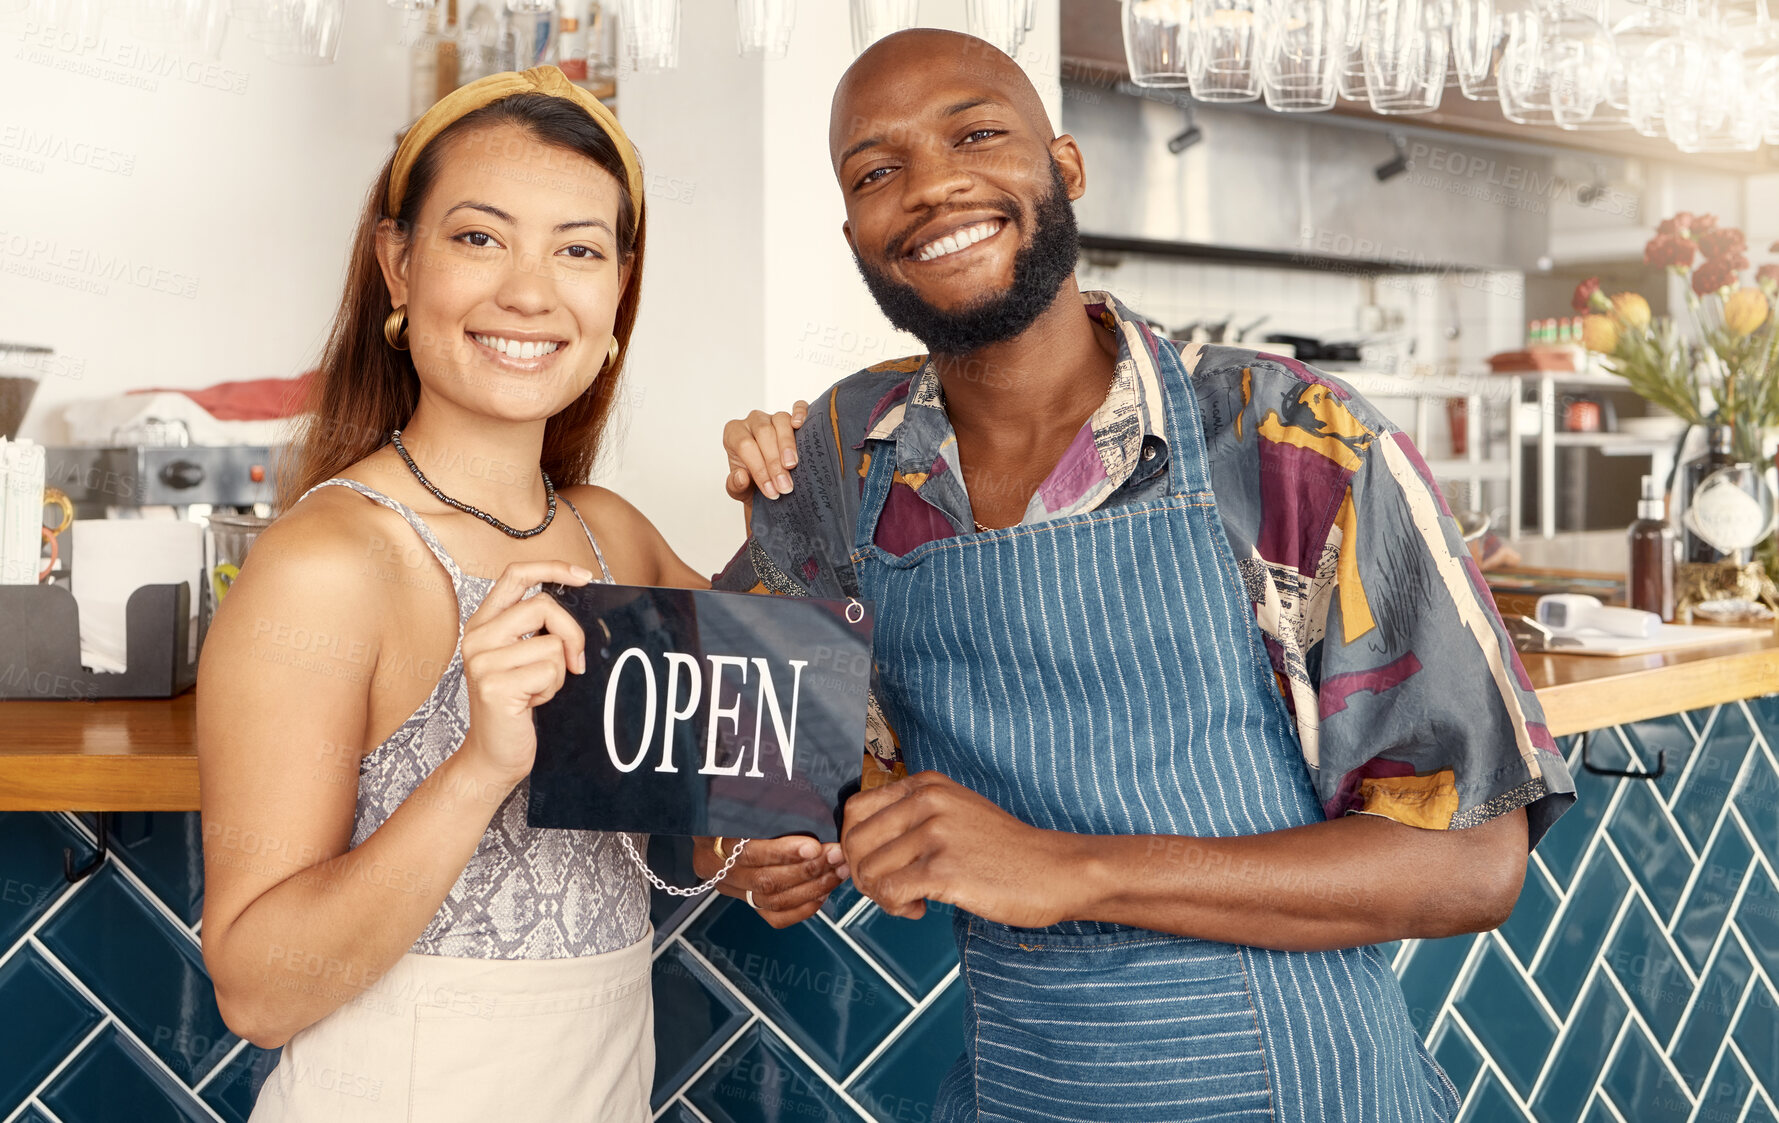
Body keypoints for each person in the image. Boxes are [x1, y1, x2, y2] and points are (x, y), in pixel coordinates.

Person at [716, 29, 1577, 1123]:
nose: (931, 187)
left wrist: (1070, 868)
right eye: (876, 171)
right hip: (1025, 1090)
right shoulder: (848, 452)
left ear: (1065, 171)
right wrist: (749, 842)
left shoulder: (1286, 436)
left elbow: (1473, 862)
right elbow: (734, 727)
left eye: (977, 132)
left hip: (1300, 1090)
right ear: (855, 233)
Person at [196, 66, 842, 1123]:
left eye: (579, 249)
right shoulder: (330, 563)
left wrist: (793, 501)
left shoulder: (611, 533)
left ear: (618, 291)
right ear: (398, 264)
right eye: (481, 238)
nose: (531, 292)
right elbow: (258, 990)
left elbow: (768, 782)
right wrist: (485, 763)